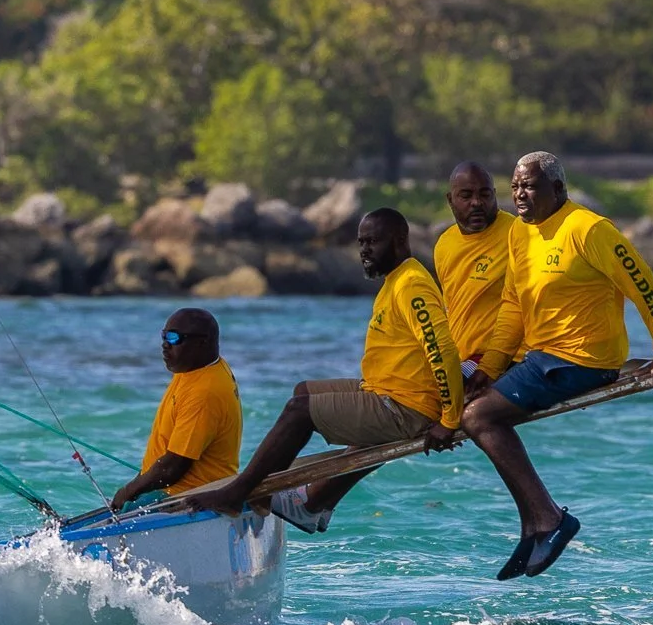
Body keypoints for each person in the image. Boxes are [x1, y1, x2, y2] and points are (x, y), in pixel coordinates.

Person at [463, 151, 653, 580]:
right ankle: (534, 525)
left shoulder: (589, 229)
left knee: (478, 416)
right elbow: (513, 305)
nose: (520, 195)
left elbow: (644, 287)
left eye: (530, 186)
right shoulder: (520, 233)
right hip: (541, 358)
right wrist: (490, 366)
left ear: (558, 189)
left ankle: (548, 518)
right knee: (464, 398)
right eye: (515, 187)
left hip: (583, 360)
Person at [188, 208, 463, 532]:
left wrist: (449, 420)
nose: (364, 251)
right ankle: (308, 503)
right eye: (361, 243)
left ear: (400, 241)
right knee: (303, 391)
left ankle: (238, 493)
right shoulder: (397, 280)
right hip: (385, 391)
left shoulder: (412, 284)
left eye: (373, 242)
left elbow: (442, 350)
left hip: (406, 408)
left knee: (299, 411)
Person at [109, 308, 242, 512]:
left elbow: (173, 468)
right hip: (170, 486)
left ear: (202, 342)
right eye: (164, 336)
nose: (165, 344)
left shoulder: (204, 392)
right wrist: (138, 483)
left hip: (188, 495)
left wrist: (128, 491)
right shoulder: (196, 367)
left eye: (174, 338)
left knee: (117, 517)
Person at [433, 161, 518, 372]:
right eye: (466, 195)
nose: (477, 203)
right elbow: (450, 308)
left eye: (485, 194)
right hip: (459, 357)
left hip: (502, 358)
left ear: (495, 195)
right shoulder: (444, 244)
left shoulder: (518, 234)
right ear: (450, 199)